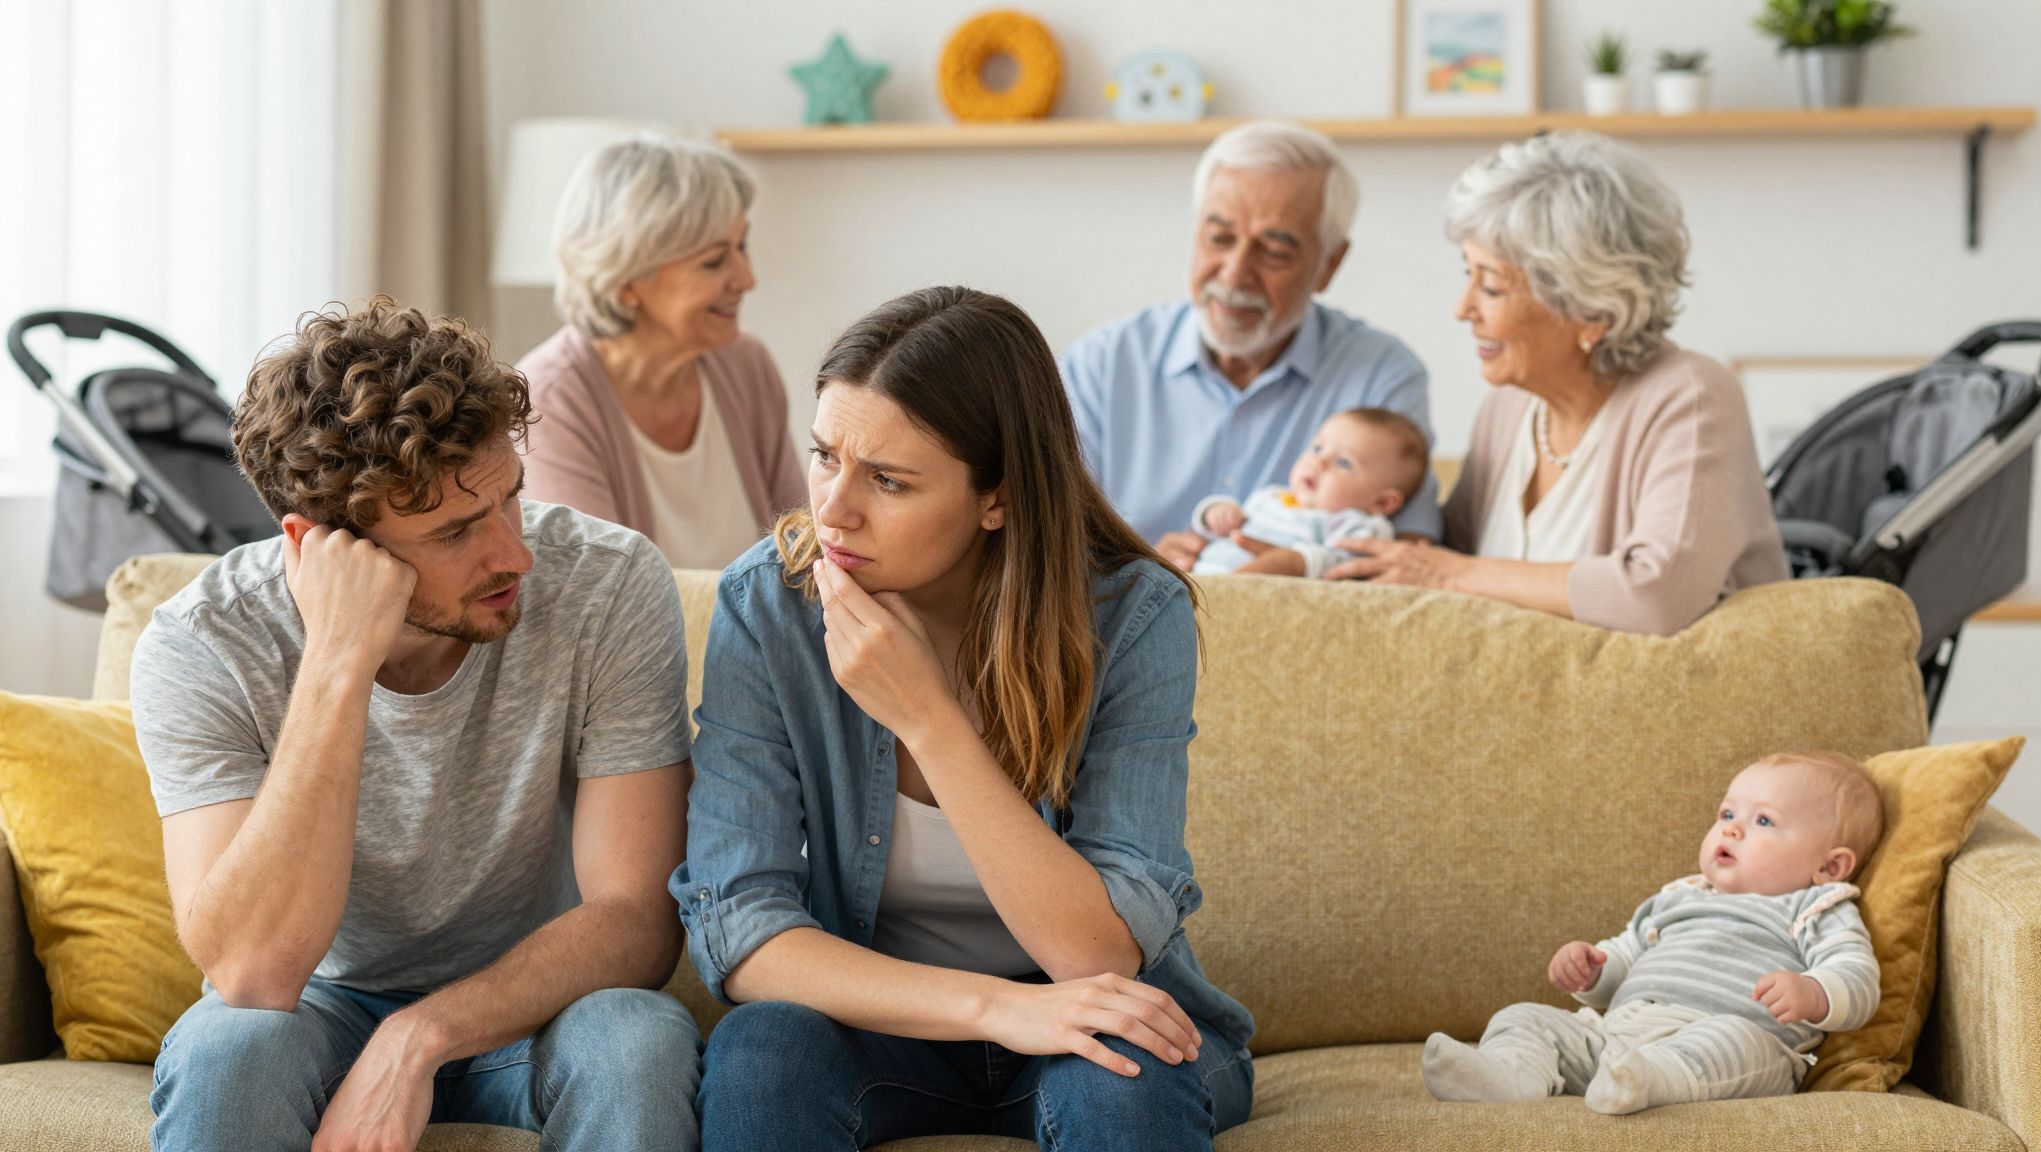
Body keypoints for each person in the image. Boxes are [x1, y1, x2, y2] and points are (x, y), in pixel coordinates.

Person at [676, 286, 1255, 1151]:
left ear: (1000, 497)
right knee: (763, 1053)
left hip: (1091, 1016)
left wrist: (931, 722)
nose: (833, 509)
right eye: (825, 456)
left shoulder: (1132, 617)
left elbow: (1094, 959)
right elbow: (744, 931)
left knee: (1122, 1080)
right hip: (889, 1023)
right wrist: (999, 1008)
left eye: (888, 480)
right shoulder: (768, 606)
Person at [131, 298, 701, 1152]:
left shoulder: (609, 584)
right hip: (316, 1011)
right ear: (318, 544)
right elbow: (250, 974)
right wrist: (335, 663)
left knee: (636, 1037)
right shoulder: (202, 642)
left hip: (539, 1007)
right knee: (227, 1049)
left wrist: (420, 1037)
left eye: (511, 499)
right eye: (457, 531)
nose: (515, 553)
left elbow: (636, 921)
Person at [1319, 132, 1789, 634]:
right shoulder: (1508, 406)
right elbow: (1445, 559)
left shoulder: (1691, 397)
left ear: (1590, 310)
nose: (1463, 309)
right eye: (1467, 274)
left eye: (1492, 286)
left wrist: (1449, 574)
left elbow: (1656, 595)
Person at [1058, 119, 1437, 562]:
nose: (1235, 274)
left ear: (1330, 265)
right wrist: (1134, 570)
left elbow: (1408, 560)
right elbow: (1036, 544)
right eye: (1219, 238)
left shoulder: (1382, 376)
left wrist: (1297, 578)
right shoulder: (1101, 365)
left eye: (1274, 252)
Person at [1423, 752, 1884, 1114]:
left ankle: (1650, 1080)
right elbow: (1622, 957)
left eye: (1763, 820)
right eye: (1726, 814)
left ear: (1829, 866)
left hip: (1725, 1042)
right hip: (1616, 1039)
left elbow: (1857, 976)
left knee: (1736, 1041)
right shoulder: (1679, 897)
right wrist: (1591, 972)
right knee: (1525, 1015)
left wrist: (1813, 992)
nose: (1732, 829)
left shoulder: (1815, 907)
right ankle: (1508, 1075)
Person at [518, 133, 804, 569]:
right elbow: (604, 595)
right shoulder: (549, 400)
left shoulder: (747, 365)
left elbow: (800, 552)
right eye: (713, 261)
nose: (747, 279)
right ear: (627, 281)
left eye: (741, 246)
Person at [1190, 407, 1428, 578]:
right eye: (1317, 448)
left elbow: (1348, 564)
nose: (1318, 462)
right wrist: (1214, 513)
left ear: (1383, 502)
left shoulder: (1358, 526)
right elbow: (1222, 528)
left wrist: (1298, 562)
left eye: (1343, 463)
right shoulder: (1272, 496)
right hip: (1197, 580)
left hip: (1249, 600)